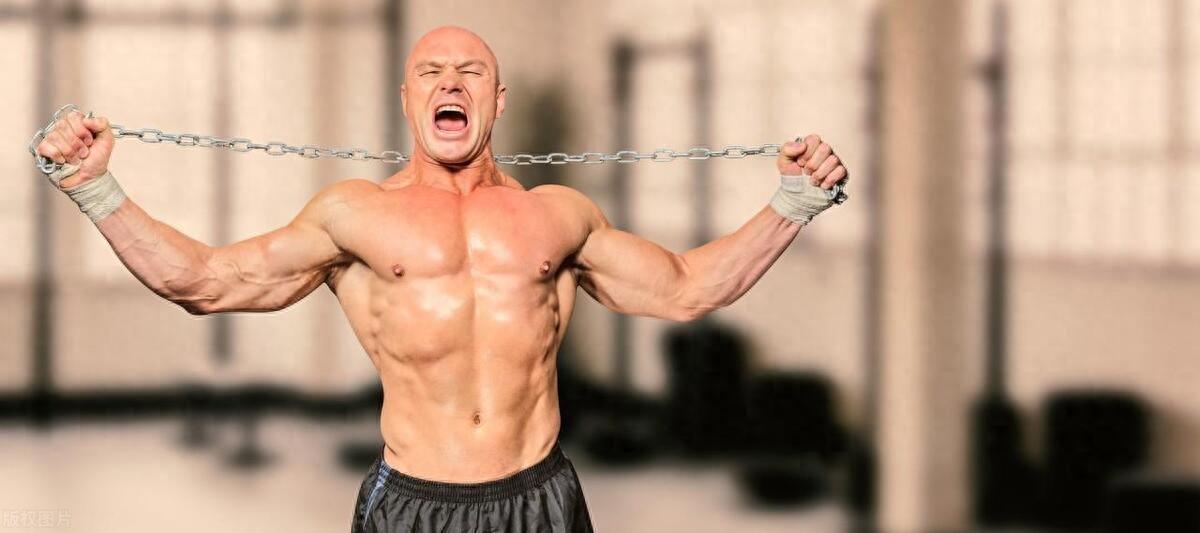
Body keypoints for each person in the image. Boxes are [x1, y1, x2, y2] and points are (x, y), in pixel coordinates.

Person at [35, 25, 847, 533]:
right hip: (414, 506)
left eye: (469, 72)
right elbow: (205, 281)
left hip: (540, 498)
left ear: (498, 98)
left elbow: (687, 286)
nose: (450, 83)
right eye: (430, 72)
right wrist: (93, 188)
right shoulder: (353, 215)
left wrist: (795, 200)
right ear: (407, 98)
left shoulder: (559, 215)